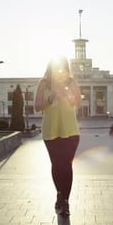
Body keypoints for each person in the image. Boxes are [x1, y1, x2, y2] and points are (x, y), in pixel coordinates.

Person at [34, 56, 81, 216]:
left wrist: (69, 96)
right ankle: (60, 194)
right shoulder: (44, 83)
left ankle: (65, 201)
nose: (60, 71)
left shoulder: (71, 82)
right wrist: (50, 97)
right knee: (57, 165)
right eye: (57, 67)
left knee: (67, 166)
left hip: (71, 131)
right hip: (51, 130)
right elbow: (37, 106)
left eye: (63, 67)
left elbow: (78, 102)